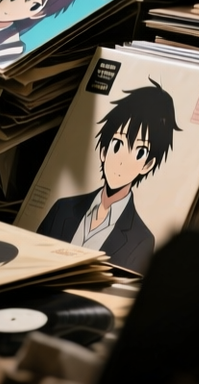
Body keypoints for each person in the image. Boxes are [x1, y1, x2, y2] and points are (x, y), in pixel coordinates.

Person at [35, 81, 181, 273]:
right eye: (117, 144)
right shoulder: (62, 208)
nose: (121, 161)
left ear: (147, 165)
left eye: (139, 152)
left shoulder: (141, 239)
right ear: (103, 151)